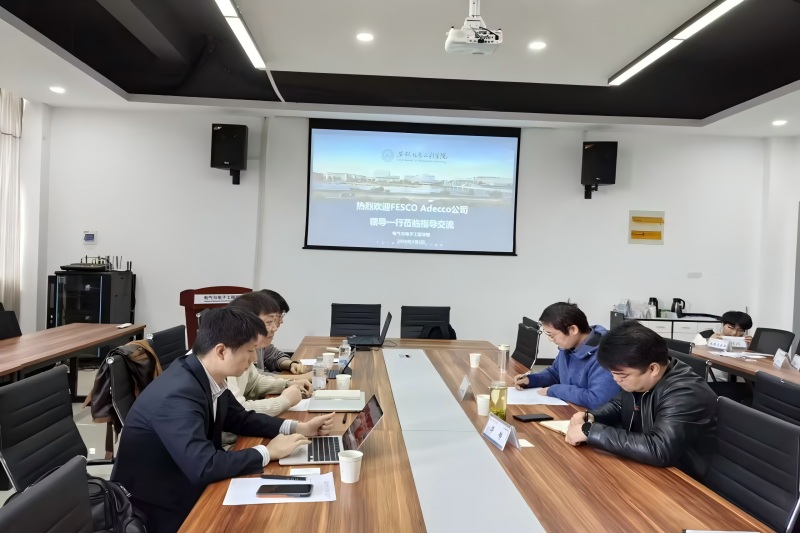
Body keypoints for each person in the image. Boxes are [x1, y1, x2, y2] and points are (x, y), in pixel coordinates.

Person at [111, 307, 335, 533]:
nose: (253, 359)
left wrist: (299, 427)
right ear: (221, 351)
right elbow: (204, 466)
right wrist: (267, 452)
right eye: (250, 351)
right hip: (157, 509)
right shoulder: (177, 394)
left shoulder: (204, 374)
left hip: (188, 484)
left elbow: (240, 419)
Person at [565, 321, 718, 479]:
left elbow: (659, 448)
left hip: (681, 478)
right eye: (613, 373)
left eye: (621, 375)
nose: (616, 380)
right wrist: (592, 416)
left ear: (653, 369)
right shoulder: (641, 377)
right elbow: (619, 404)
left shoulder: (685, 393)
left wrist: (591, 431)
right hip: (647, 467)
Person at [513, 302, 619, 408]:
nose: (550, 339)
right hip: (571, 409)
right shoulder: (568, 346)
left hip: (590, 415)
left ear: (573, 329)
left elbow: (597, 400)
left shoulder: (606, 354)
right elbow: (555, 373)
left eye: (552, 335)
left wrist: (555, 390)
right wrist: (531, 380)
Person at [229, 291, 308, 374]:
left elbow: (273, 356)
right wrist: (297, 378)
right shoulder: (235, 349)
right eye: (269, 321)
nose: (275, 328)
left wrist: (291, 364)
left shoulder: (258, 342)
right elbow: (256, 378)